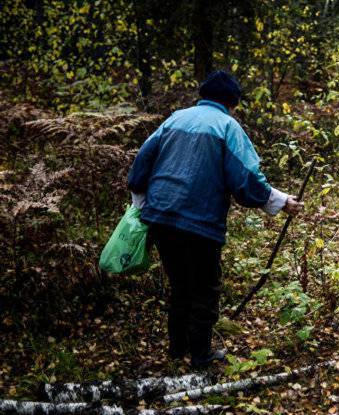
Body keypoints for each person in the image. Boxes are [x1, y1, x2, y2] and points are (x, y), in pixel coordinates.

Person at [127, 70, 303, 368]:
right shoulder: (227, 126)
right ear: (232, 102)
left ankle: (176, 351)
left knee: (180, 286)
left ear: (203, 95)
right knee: (205, 289)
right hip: (200, 223)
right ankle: (200, 356)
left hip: (161, 217)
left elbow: (140, 165)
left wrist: (143, 203)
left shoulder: (174, 119)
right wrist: (280, 200)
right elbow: (246, 179)